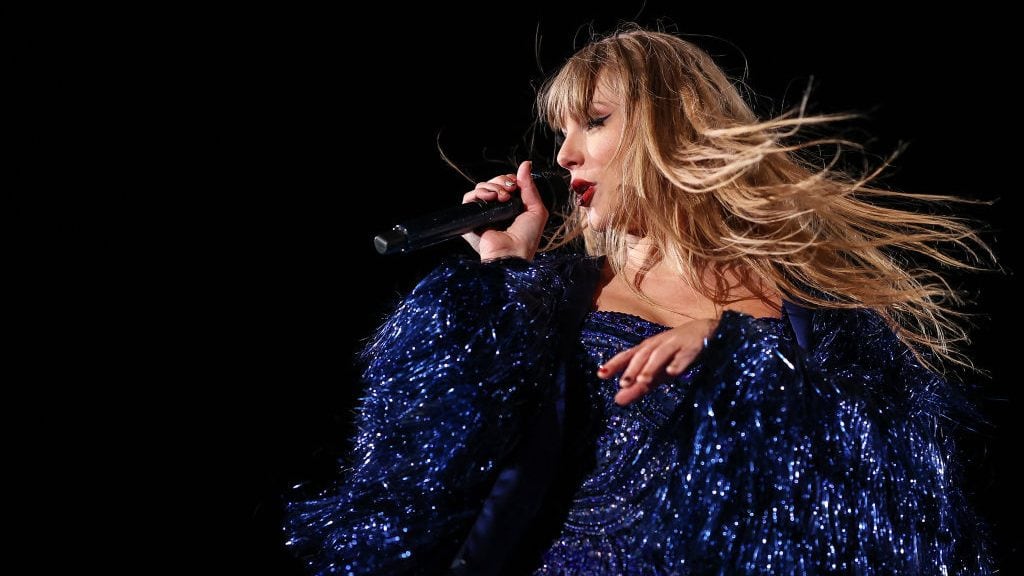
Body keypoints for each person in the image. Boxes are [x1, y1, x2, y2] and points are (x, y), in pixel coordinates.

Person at [284, 25, 994, 575]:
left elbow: (894, 496)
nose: (564, 156)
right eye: (561, 132)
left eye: (592, 121)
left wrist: (744, 354)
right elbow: (420, 477)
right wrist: (504, 278)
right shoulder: (552, 298)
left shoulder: (812, 307)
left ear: (671, 130)